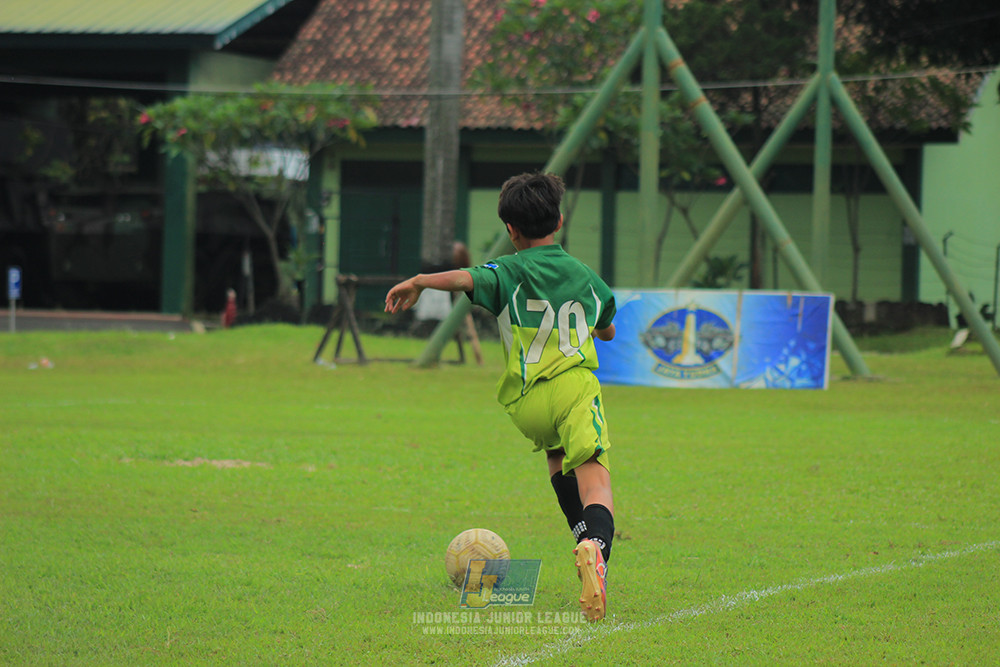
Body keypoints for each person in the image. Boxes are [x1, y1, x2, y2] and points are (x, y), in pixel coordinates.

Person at [385, 172, 617, 621]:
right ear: (561, 220)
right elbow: (607, 327)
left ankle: (582, 538)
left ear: (511, 231)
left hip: (526, 404)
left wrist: (419, 280)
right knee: (596, 479)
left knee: (557, 457)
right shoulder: (586, 277)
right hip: (573, 389)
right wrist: (595, 325)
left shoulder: (505, 270)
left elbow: (463, 279)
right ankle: (595, 549)